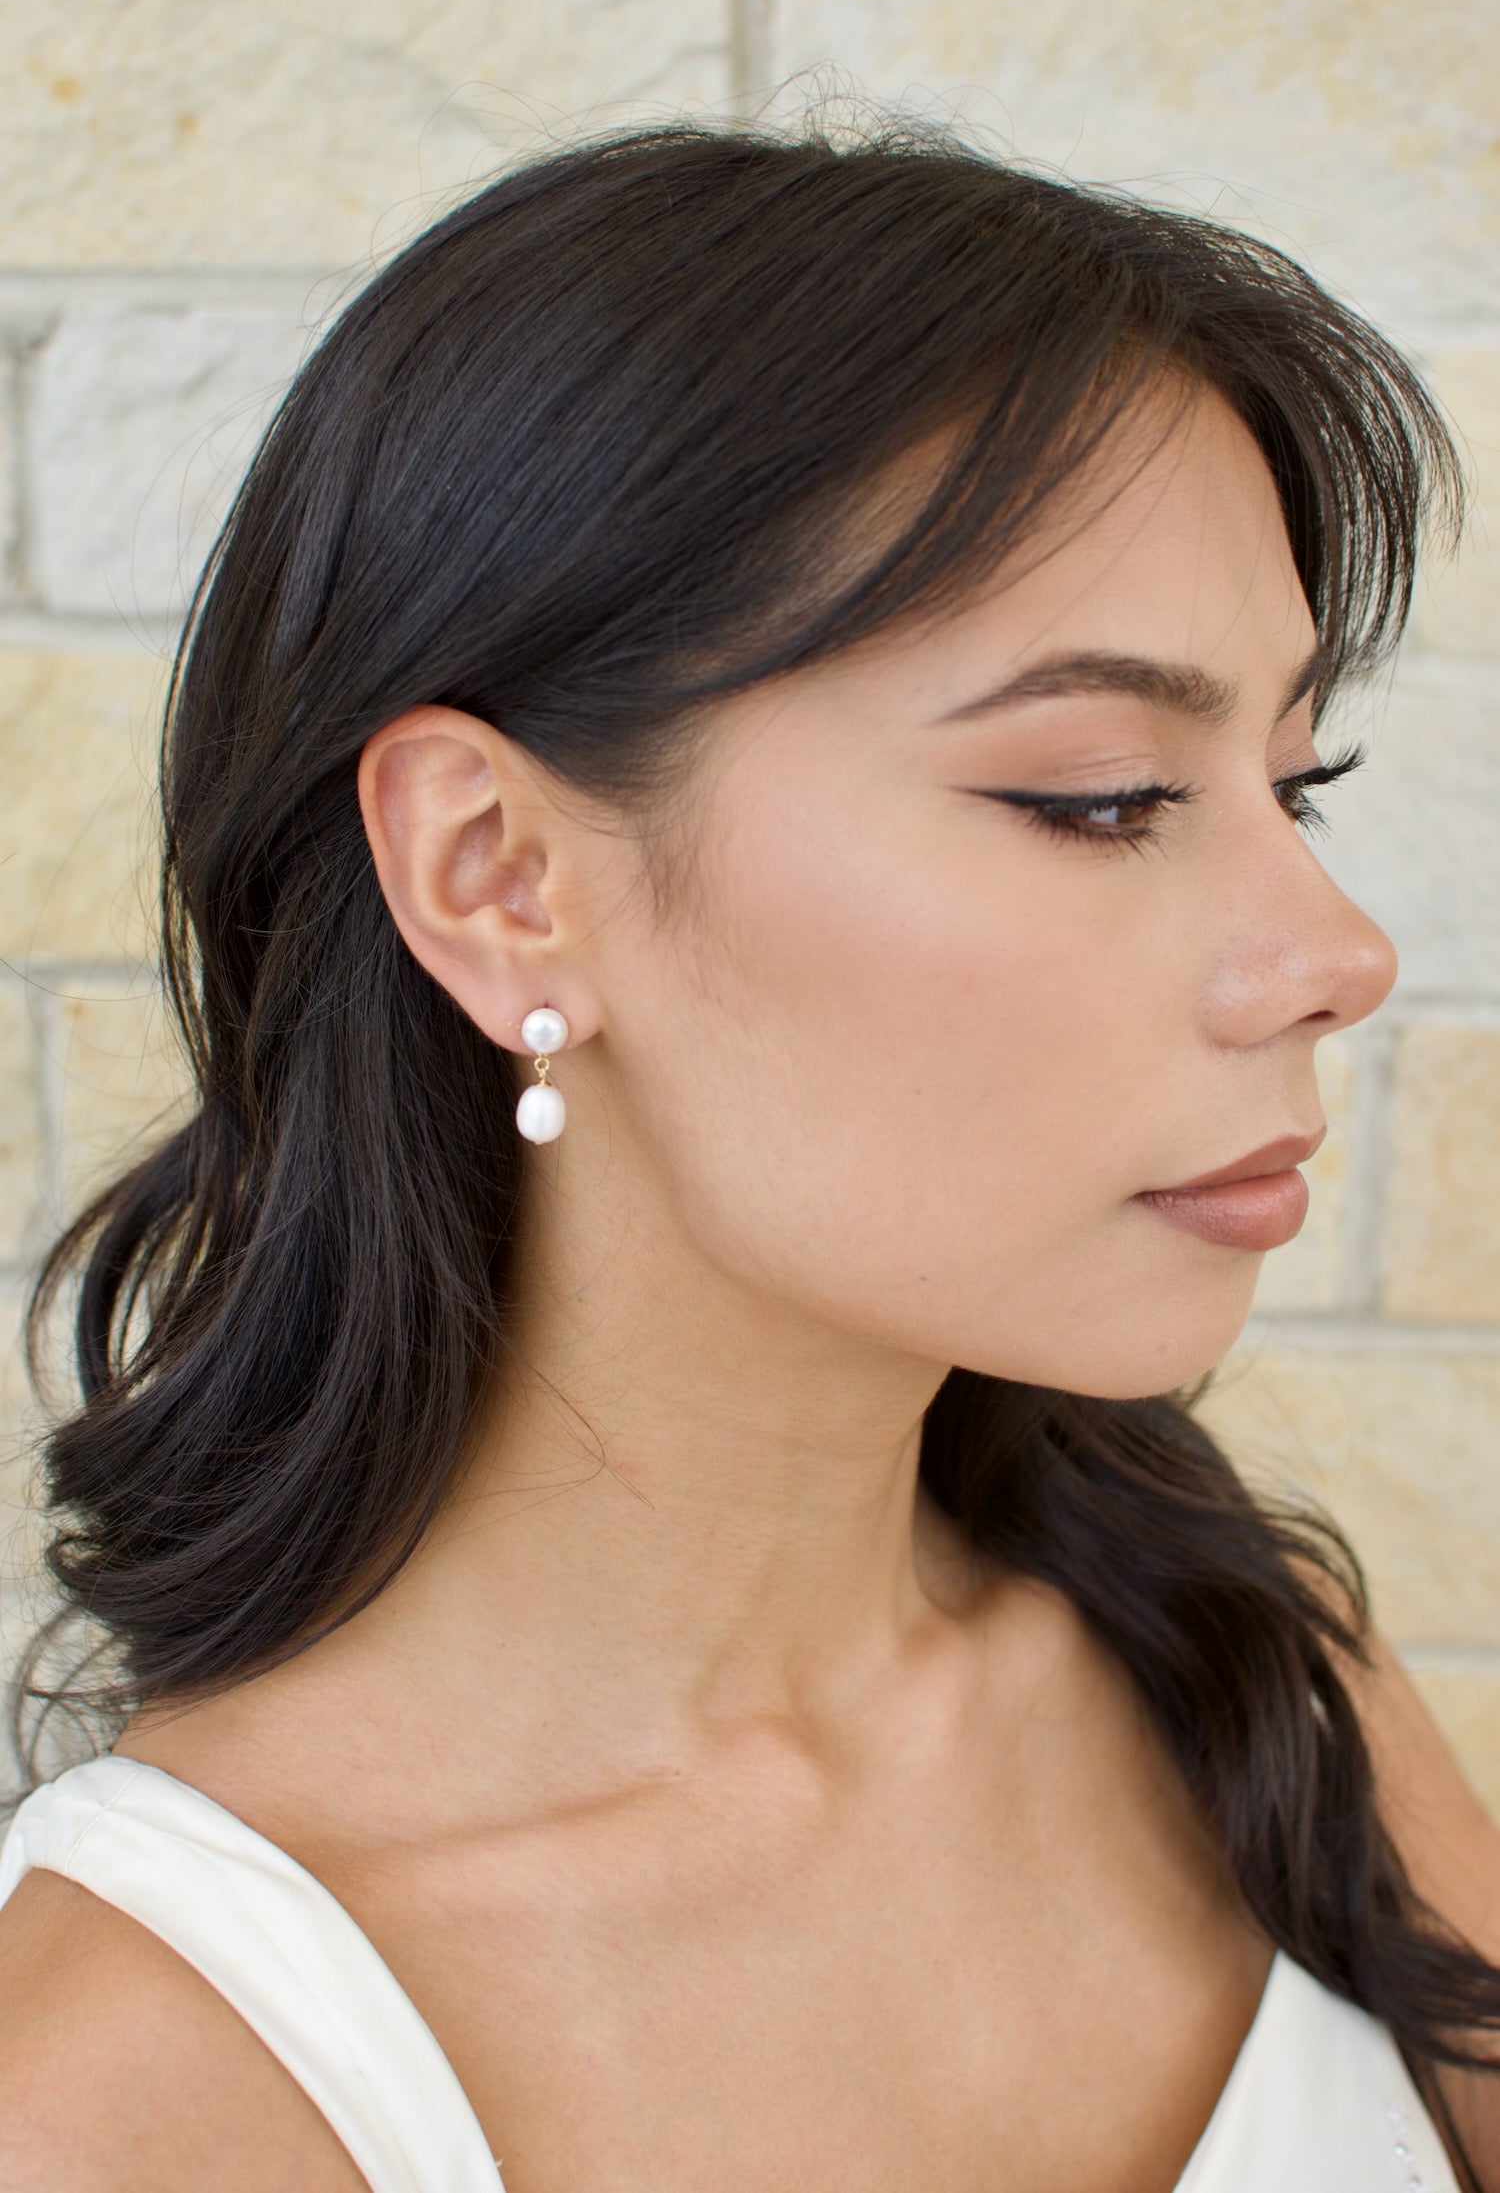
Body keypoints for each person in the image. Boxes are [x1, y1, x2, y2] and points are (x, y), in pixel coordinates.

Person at [0, 118, 1496, 2193]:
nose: (1337, 957)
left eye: (1293, 781)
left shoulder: (1251, 1674)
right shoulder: (138, 2080)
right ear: (503, 874)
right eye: (1100, 794)